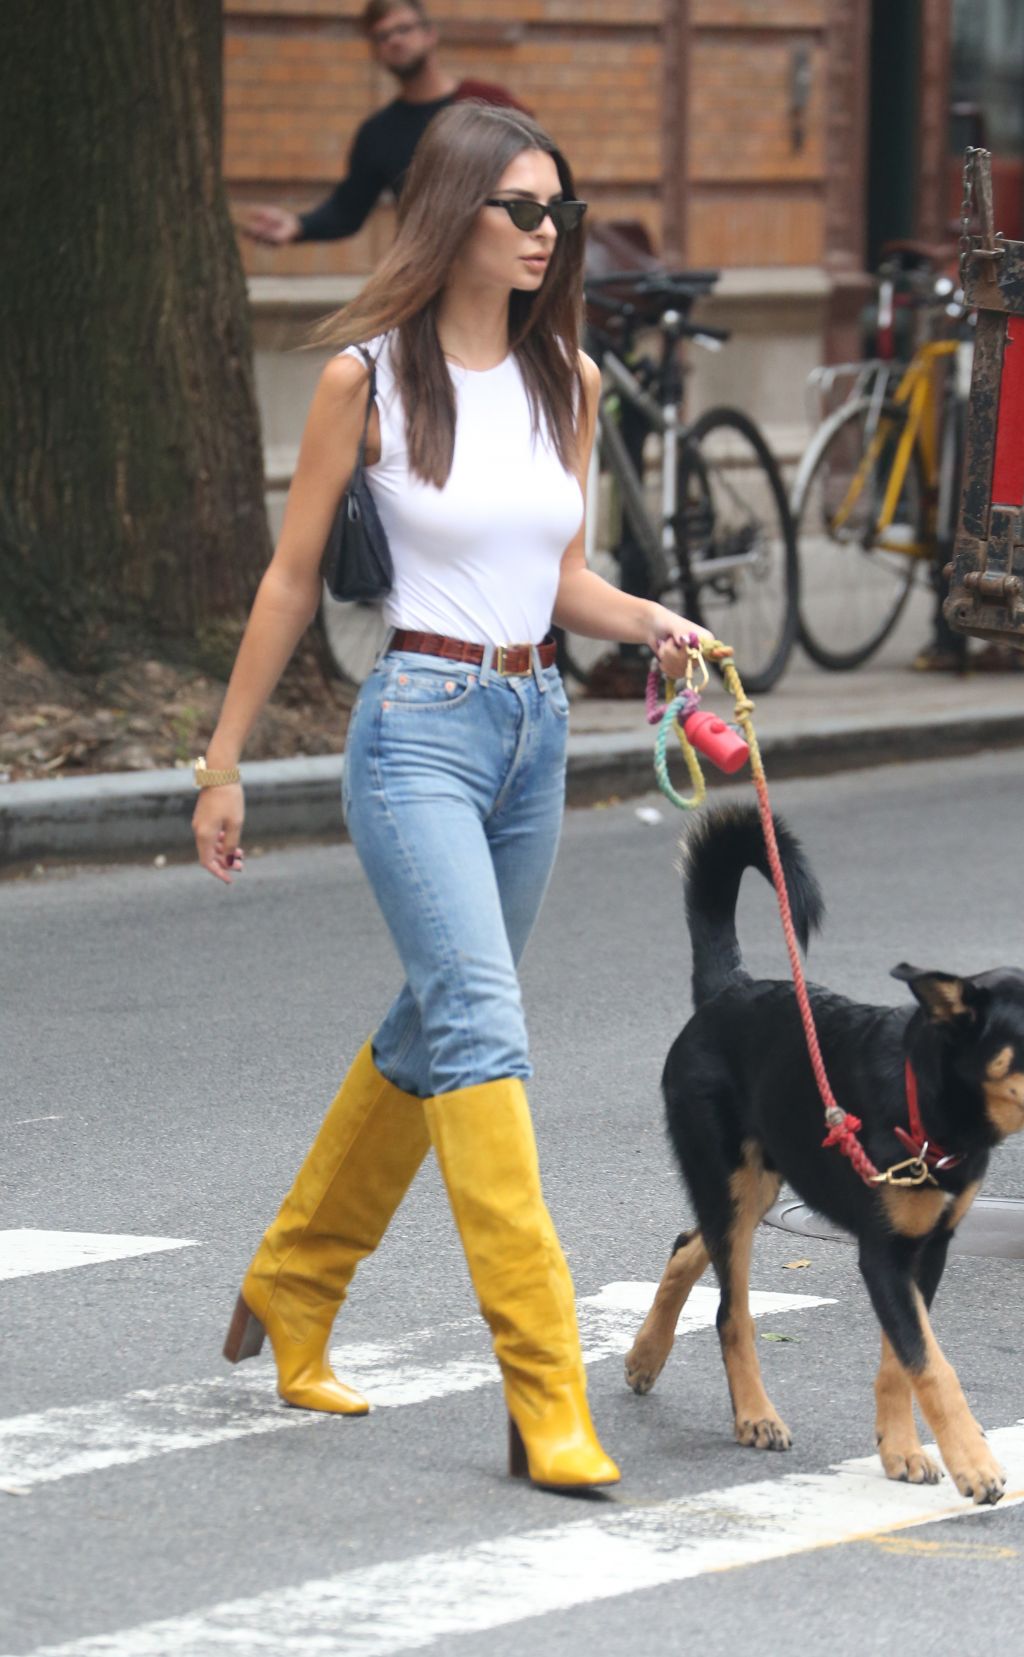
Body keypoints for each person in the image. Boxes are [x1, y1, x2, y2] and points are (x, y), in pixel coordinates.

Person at [194, 101, 710, 1492]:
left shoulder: (570, 385)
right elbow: (292, 579)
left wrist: (651, 616)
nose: (548, 234)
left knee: (440, 1015)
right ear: (455, 212)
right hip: (415, 730)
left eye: (561, 212)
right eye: (522, 210)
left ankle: (293, 1287)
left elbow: (561, 580)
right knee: (484, 1020)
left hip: (534, 728)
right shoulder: (365, 379)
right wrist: (225, 758)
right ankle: (544, 1388)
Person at [241, 0, 527, 248]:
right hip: (430, 277)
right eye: (382, 36)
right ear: (376, 52)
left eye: (404, 29)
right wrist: (297, 225)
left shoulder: (489, 103)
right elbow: (346, 211)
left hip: (503, 263)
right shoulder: (378, 133)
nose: (395, 40)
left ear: (430, 34)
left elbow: (539, 172)